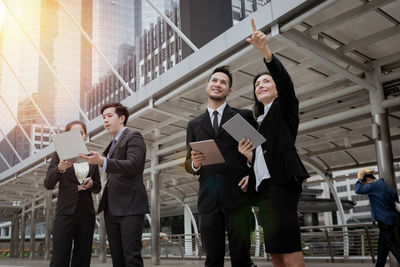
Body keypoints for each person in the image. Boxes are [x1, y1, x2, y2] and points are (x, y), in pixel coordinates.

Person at [238, 19, 309, 267]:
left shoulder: (284, 108)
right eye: (257, 85)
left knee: (288, 248)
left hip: (283, 185)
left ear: (277, 89)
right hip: (265, 190)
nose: (261, 86)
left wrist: (265, 52)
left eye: (266, 82)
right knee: (276, 252)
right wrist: (249, 159)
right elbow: (264, 157)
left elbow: (286, 82)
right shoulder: (258, 122)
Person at [184, 55, 258, 265]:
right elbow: (189, 164)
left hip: (237, 196)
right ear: (207, 86)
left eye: (223, 82)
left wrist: (251, 172)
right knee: (212, 259)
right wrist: (196, 163)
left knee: (241, 257)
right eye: (214, 81)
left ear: (229, 90)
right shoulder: (194, 124)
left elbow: (259, 153)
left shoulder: (241, 117)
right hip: (208, 199)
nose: (218, 84)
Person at [80, 102, 149, 267]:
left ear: (122, 118)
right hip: (112, 208)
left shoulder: (134, 136)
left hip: (130, 206)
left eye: (110, 116)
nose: (105, 120)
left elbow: (133, 165)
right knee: (117, 259)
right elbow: (115, 173)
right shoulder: (111, 144)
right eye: (103, 117)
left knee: (131, 257)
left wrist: (103, 161)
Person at [44, 120, 101, 267]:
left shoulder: (92, 157)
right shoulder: (59, 155)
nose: (78, 136)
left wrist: (91, 184)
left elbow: (98, 187)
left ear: (85, 136)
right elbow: (48, 184)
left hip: (86, 213)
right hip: (65, 212)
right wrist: (60, 168)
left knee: (82, 257)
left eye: (80, 133)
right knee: (59, 257)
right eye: (73, 133)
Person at [355, 168, 400, 267]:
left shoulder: (373, 185)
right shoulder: (387, 186)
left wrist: (360, 178)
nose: (366, 186)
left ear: (368, 180)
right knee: (382, 251)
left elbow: (357, 190)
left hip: (385, 222)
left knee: (395, 248)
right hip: (391, 220)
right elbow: (393, 202)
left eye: (365, 184)